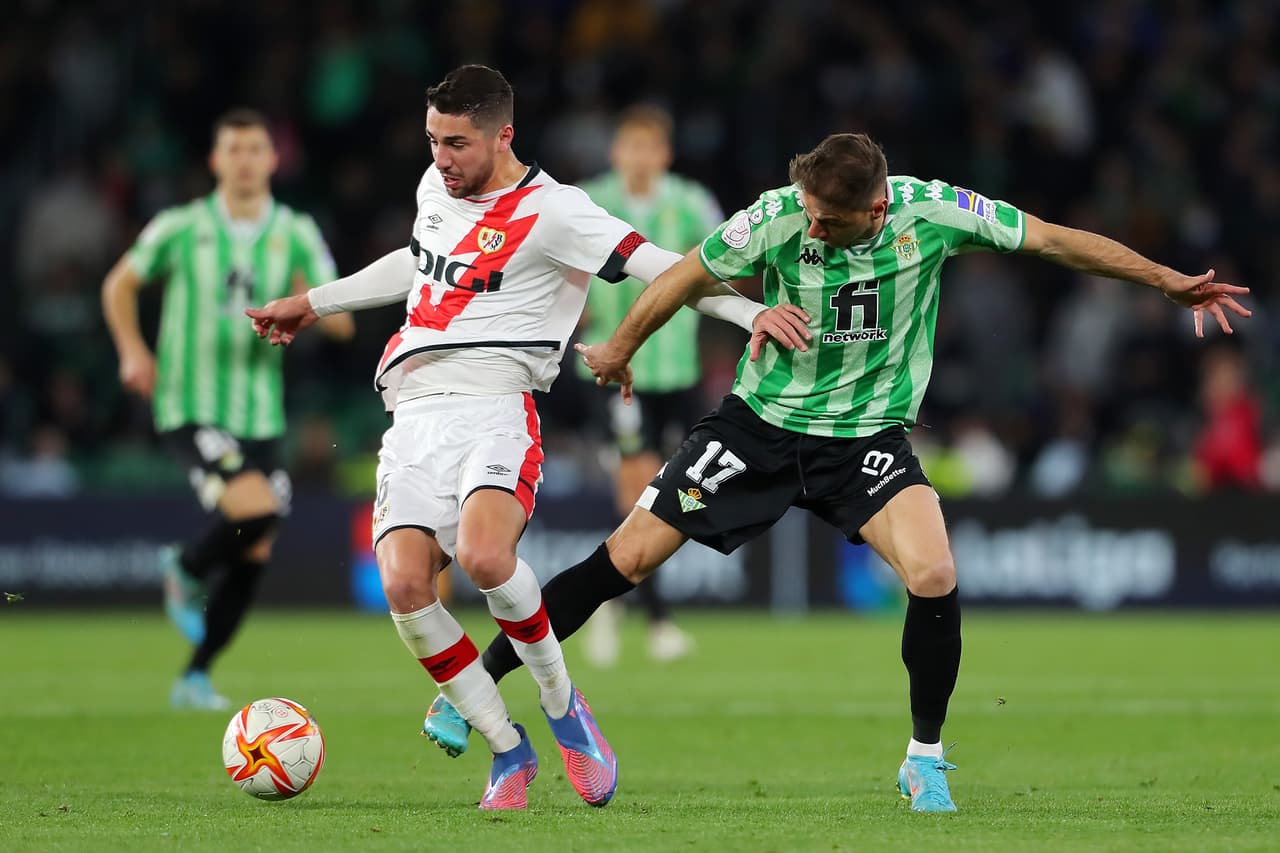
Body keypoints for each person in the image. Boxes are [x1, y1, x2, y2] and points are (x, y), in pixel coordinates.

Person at [424, 132, 1251, 812]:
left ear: (877, 208)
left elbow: (1056, 240)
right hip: (760, 425)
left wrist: (1167, 282)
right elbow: (682, 274)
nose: (811, 231)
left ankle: (924, 757)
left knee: (934, 570)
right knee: (626, 558)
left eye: (829, 221)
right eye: (810, 213)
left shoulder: (932, 213)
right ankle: (474, 685)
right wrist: (620, 347)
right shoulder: (779, 216)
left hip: (865, 441)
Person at [243, 65, 805, 810]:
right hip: (412, 413)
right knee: (407, 584)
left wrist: (749, 314)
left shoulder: (559, 212)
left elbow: (663, 268)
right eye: (434, 140)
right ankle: (509, 749)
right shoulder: (434, 188)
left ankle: (565, 706)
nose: (443, 157)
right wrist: (314, 302)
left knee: (483, 555)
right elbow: (418, 263)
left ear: (504, 135)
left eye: (459, 143)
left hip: (498, 407)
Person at [102, 108, 354, 712]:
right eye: (233, 149)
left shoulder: (295, 231)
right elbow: (119, 284)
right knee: (257, 509)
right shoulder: (180, 226)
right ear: (215, 161)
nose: (244, 159)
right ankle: (186, 567)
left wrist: (306, 301)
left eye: (255, 149)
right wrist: (133, 351)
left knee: (256, 544)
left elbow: (341, 320)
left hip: (260, 414)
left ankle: (194, 675)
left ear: (274, 159)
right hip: (190, 404)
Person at [576, 104, 724, 666]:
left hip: (676, 370)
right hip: (617, 368)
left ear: (665, 154)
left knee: (666, 490)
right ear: (616, 152)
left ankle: (616, 606)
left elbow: (728, 257)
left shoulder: (689, 201)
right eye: (630, 146)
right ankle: (653, 617)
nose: (639, 157)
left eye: (650, 147)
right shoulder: (590, 199)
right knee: (637, 488)